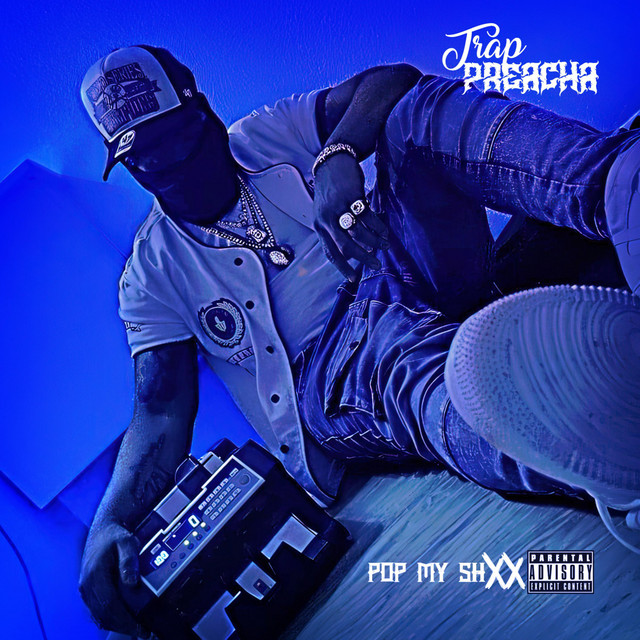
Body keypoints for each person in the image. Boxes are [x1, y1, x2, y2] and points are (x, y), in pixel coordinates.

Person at [78, 45, 640, 636]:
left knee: (411, 115)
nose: (167, 170)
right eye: (142, 160)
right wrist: (107, 524)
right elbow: (160, 409)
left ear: (204, 113)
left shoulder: (265, 134)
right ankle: (609, 464)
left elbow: (391, 79)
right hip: (331, 368)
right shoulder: (149, 276)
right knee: (427, 376)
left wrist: (338, 154)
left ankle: (617, 182)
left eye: (174, 142)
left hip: (395, 265)